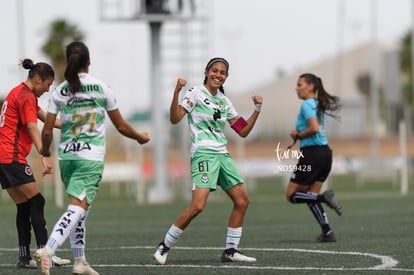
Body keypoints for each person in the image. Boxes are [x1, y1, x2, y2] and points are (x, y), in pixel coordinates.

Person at [33, 41, 150, 275]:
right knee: (77, 208)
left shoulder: (59, 91)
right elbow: (121, 125)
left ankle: (80, 262)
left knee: (80, 209)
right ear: (88, 61)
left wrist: (45, 150)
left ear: (69, 62)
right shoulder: (101, 88)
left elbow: (47, 130)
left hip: (67, 157)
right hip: (90, 157)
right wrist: (139, 137)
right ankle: (48, 249)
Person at [154, 57, 263, 265]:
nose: (218, 75)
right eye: (215, 70)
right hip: (203, 154)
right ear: (206, 71)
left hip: (223, 155)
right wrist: (176, 92)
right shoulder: (195, 93)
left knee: (242, 201)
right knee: (198, 206)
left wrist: (257, 109)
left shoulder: (224, 101)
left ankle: (231, 251)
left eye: (222, 72)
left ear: (226, 77)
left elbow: (242, 131)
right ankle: (164, 246)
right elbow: (175, 118)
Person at [0, 59, 70, 269]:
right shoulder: (26, 96)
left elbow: (46, 120)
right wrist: (44, 153)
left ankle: (24, 257)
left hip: (4, 158)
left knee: (25, 206)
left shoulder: (19, 93)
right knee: (37, 201)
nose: (47, 90)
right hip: (11, 157)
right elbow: (32, 128)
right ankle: (45, 252)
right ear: (38, 80)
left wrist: (74, 123)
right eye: (47, 85)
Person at [286, 73, 343, 242]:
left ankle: (324, 197)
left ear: (310, 86)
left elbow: (314, 128)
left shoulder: (307, 104)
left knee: (292, 195)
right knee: (310, 196)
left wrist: (298, 135)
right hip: (326, 154)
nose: (296, 88)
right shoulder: (317, 103)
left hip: (312, 154)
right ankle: (327, 232)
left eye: (299, 84)